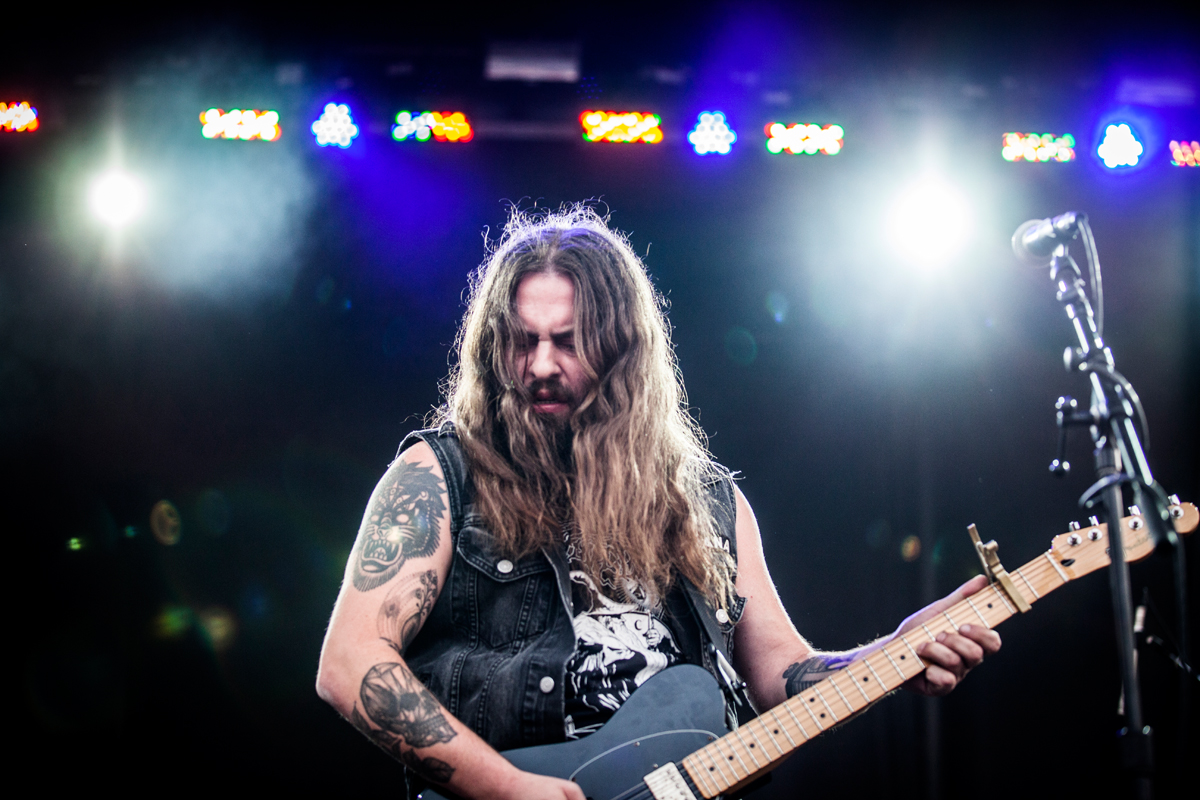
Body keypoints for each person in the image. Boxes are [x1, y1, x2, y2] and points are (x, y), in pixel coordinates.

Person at [316, 207, 1001, 800]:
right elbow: (349, 662)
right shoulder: (441, 474)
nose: (541, 366)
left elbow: (782, 679)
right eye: (524, 342)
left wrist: (891, 656)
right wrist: (508, 788)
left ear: (621, 351)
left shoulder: (707, 501)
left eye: (568, 342)